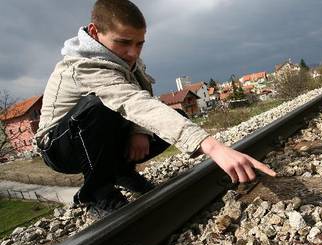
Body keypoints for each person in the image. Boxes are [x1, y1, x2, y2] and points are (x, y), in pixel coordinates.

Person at [35, 0, 275, 212]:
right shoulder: (83, 65)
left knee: (174, 115)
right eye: (124, 42)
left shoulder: (124, 59)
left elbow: (143, 95)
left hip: (97, 138)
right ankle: (98, 193)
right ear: (94, 32)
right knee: (97, 107)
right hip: (60, 148)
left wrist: (140, 132)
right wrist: (213, 147)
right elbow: (132, 102)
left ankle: (121, 172)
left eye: (140, 44)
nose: (133, 52)